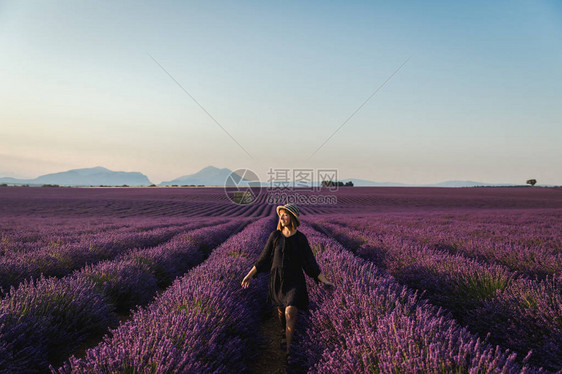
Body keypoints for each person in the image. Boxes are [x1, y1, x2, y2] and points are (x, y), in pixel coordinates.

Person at [241, 203, 333, 356]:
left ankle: (288, 352)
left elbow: (310, 263)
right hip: (277, 280)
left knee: (290, 311)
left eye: (285, 214)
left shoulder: (301, 239)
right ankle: (284, 331)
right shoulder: (275, 236)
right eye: (281, 215)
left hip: (295, 280)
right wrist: (249, 275)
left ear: (293, 217)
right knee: (281, 310)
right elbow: (263, 259)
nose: (282, 217)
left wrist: (323, 280)